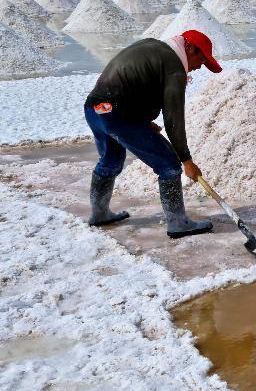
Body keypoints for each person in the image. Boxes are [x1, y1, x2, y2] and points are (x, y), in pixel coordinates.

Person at [84, 29, 221, 238]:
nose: (198, 67)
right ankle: (178, 223)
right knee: (169, 165)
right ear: (190, 48)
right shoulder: (174, 68)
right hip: (117, 115)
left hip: (96, 109)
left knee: (111, 161)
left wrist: (141, 121)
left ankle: (99, 214)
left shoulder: (153, 47)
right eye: (201, 60)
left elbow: (132, 84)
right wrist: (186, 160)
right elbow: (173, 119)